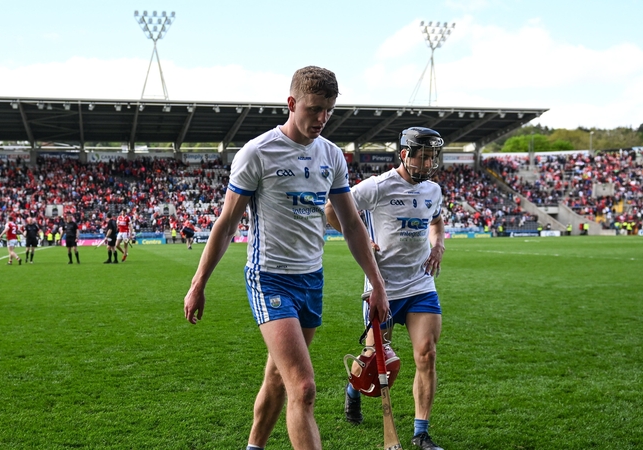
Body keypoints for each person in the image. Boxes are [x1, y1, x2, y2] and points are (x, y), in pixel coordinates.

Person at [183, 66, 389, 450]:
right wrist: (198, 285)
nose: (322, 119)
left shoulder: (332, 156)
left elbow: (352, 224)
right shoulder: (257, 153)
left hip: (312, 279)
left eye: (329, 110)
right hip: (269, 278)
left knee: (278, 378)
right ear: (292, 104)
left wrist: (377, 284)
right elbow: (227, 225)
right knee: (304, 387)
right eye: (314, 109)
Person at [325, 126, 446, 450]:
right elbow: (330, 210)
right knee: (374, 359)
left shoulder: (433, 190)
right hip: (383, 287)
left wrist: (438, 246)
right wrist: (363, 239)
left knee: (427, 354)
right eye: (423, 156)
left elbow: (436, 222)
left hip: (421, 284)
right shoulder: (377, 186)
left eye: (433, 156)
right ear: (405, 155)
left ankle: (421, 433)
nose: (429, 163)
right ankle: (353, 391)